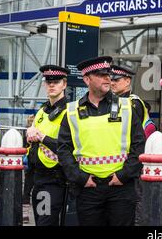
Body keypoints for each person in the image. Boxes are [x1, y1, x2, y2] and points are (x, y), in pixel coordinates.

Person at [57, 56, 145, 226]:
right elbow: (64, 149)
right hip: (88, 188)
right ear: (87, 79)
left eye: (108, 74)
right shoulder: (72, 111)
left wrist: (123, 175)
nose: (107, 78)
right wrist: (80, 178)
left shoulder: (126, 107)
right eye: (101, 74)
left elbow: (139, 145)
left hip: (120, 187)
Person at [110, 63, 155, 226]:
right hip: (116, 165)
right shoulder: (114, 102)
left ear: (127, 81)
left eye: (117, 79)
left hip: (131, 166)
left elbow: (136, 139)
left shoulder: (133, 104)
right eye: (111, 79)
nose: (112, 82)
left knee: (135, 209)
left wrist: (129, 168)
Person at [26, 65, 70, 226]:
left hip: (55, 179)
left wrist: (42, 137)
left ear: (64, 84)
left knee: (46, 223)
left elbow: (67, 147)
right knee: (40, 222)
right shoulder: (42, 111)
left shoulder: (69, 112)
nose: (51, 85)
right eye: (48, 81)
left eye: (56, 82)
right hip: (39, 178)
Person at [22, 114, 36, 224]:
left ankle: (25, 215)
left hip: (29, 166)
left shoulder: (25, 135)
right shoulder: (38, 134)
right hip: (38, 165)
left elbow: (23, 149)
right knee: (38, 189)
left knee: (27, 190)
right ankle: (40, 212)